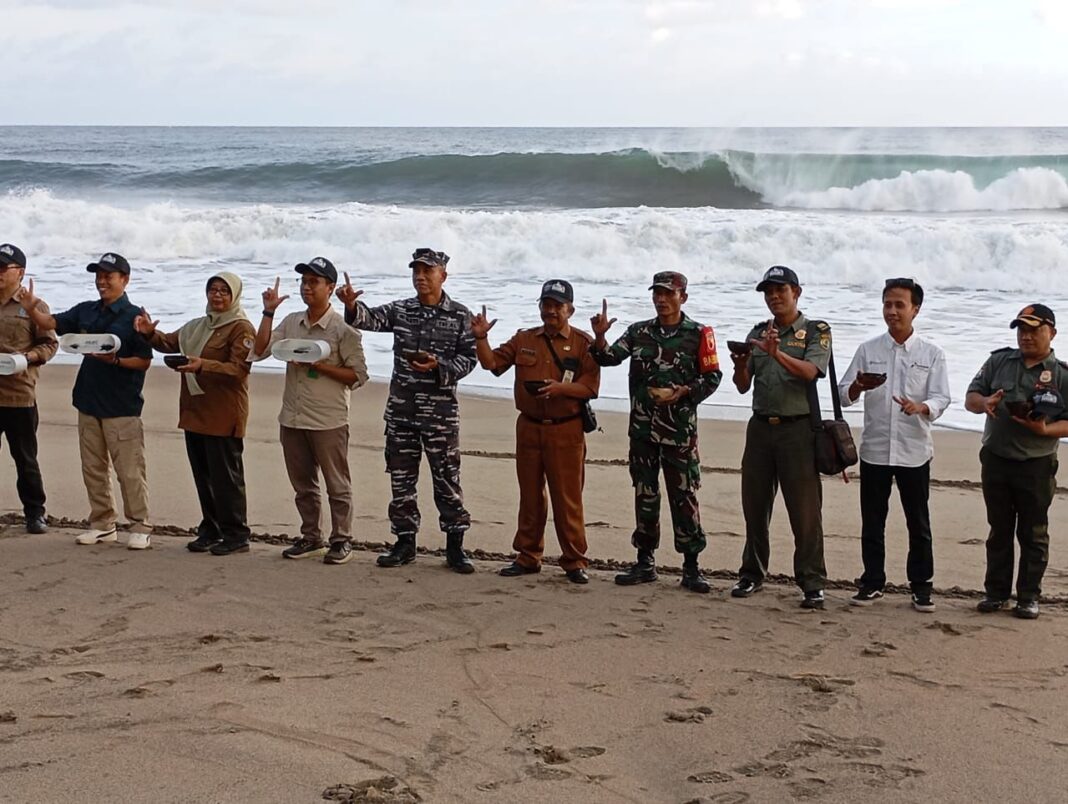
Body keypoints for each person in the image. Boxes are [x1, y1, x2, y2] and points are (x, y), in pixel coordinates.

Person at [337, 248, 477, 574]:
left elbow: (469, 359)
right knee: (401, 481)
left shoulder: (459, 315)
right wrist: (349, 304)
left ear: (443, 274)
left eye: (428, 271)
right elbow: (367, 319)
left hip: (440, 415)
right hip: (402, 413)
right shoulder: (402, 310)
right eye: (416, 271)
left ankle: (455, 546)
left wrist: (439, 366)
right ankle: (404, 542)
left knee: (447, 480)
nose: (420, 276)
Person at [589, 271, 722, 593]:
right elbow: (608, 358)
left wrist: (685, 392)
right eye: (657, 294)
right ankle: (645, 561)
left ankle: (691, 566)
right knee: (645, 495)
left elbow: (714, 377)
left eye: (668, 294)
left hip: (679, 433)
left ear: (683, 297)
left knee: (684, 497)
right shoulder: (639, 332)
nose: (662, 300)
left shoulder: (699, 334)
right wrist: (600, 337)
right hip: (643, 431)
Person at [17, 252, 154, 548]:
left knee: (130, 470)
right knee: (93, 468)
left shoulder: (135, 316)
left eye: (109, 276)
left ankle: (139, 525)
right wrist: (29, 307)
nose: (102, 281)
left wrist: (115, 360)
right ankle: (103, 523)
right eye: (99, 275)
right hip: (88, 399)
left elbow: (144, 361)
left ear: (125, 280)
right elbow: (51, 321)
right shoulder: (86, 310)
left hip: (122, 405)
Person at [471, 280, 600, 584]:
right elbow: (491, 363)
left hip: (565, 430)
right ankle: (528, 556)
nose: (551, 311)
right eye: (546, 304)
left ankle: (574, 560)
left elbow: (590, 388)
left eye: (557, 305)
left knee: (568, 498)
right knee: (529, 495)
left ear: (570, 309)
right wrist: (480, 338)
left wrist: (560, 389)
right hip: (528, 426)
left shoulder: (583, 343)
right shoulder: (524, 338)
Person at [839, 278, 951, 612]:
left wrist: (923, 407)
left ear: (915, 309)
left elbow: (942, 397)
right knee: (872, 521)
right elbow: (844, 394)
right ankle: (872, 582)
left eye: (899, 305)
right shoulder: (868, 349)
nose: (892, 311)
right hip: (874, 449)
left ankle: (921, 586)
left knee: (918, 522)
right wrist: (858, 387)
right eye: (887, 304)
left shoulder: (932, 353)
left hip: (914, 451)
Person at [252, 258, 368, 565]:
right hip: (292, 416)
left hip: (328, 419)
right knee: (303, 484)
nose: (306, 287)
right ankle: (312, 538)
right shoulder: (292, 322)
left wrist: (320, 367)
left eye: (314, 282)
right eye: (303, 282)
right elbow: (260, 350)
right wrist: (268, 311)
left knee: (337, 484)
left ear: (330, 288)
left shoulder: (343, 329)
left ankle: (342, 540)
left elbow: (358, 376)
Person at [135, 273, 256, 556]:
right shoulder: (197, 326)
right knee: (204, 476)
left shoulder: (241, 329)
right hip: (196, 410)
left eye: (224, 291)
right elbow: (169, 343)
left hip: (224, 412)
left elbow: (239, 370)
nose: (217, 295)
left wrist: (203, 365)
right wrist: (148, 333)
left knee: (227, 478)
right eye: (212, 289)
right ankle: (211, 529)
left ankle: (237, 533)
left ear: (235, 295)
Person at [730, 265, 830, 609]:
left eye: (780, 290)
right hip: (759, 428)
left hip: (798, 430)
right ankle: (752, 574)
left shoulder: (816, 331)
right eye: (768, 292)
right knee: (754, 507)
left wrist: (778, 354)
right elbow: (743, 386)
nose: (773, 297)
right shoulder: (758, 332)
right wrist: (741, 362)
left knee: (805, 512)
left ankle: (812, 582)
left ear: (796, 292)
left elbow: (811, 372)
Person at [965, 303, 1068, 620]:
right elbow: (971, 398)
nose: (1026, 336)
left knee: (1034, 532)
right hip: (996, 458)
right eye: (1021, 330)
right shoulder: (999, 361)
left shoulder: (1062, 375)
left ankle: (1028, 596)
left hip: (1036, 463)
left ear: (1051, 331)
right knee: (999, 530)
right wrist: (985, 403)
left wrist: (1045, 428)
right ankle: (996, 593)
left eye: (1034, 329)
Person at [0, 244, 58, 534]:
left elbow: (50, 344)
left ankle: (35, 513)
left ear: (20, 272)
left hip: (19, 394)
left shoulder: (33, 305)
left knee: (25, 458)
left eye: (4, 268)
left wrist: (27, 358)